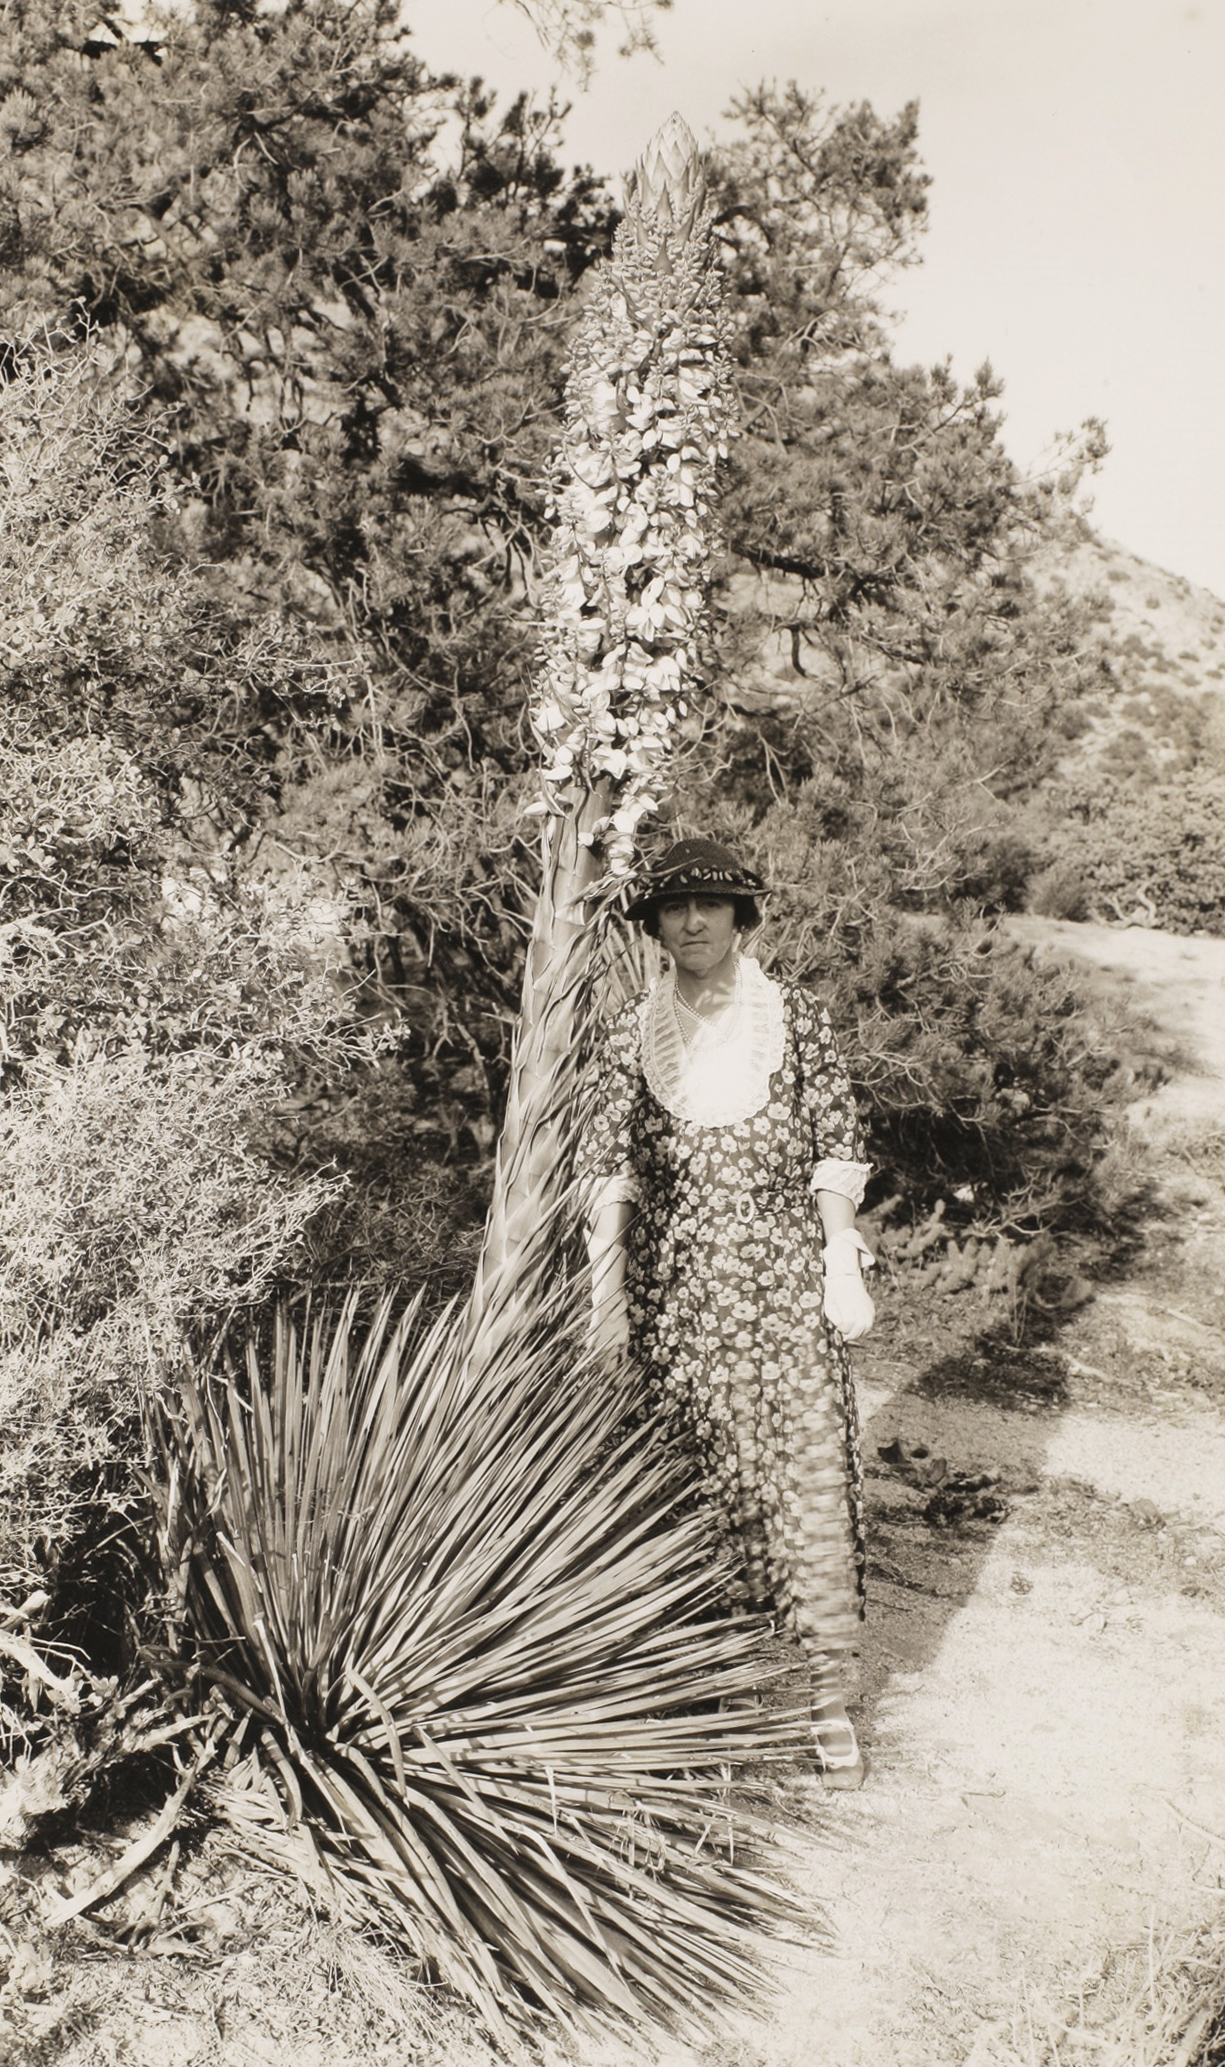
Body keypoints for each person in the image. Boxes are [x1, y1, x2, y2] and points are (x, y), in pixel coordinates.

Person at [579, 837, 875, 1785]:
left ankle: (825, 1706)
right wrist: (605, 1294)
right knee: (690, 1483)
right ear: (655, 926)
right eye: (675, 908)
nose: (694, 922)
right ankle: (709, 1703)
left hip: (783, 1288)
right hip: (678, 1296)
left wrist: (839, 1262)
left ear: (742, 918)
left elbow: (836, 1146)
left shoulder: (800, 1020)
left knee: (805, 1483)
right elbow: (608, 1168)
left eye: (711, 905)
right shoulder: (632, 1029)